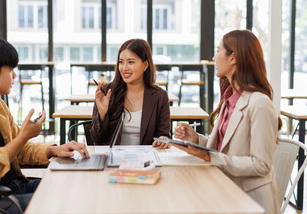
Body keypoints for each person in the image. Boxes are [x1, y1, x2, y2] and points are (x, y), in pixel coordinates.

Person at [0, 34, 89, 214]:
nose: (15, 75)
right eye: (10, 70)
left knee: (76, 187)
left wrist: (52, 150)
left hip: (13, 187)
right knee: (66, 202)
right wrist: (23, 136)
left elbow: (17, 149)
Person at [173, 30, 281, 214]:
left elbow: (261, 165)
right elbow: (226, 149)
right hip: (225, 189)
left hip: (249, 199)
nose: (214, 57)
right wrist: (197, 140)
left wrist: (209, 157)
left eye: (218, 51)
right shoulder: (230, 98)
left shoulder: (260, 104)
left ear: (233, 58)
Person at [90, 38, 171, 147]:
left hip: (146, 160)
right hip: (112, 159)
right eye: (121, 62)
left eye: (131, 62)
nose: (124, 68)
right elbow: (97, 140)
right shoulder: (107, 92)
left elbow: (164, 134)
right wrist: (102, 115)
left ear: (145, 65)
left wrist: (163, 139)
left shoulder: (160, 96)